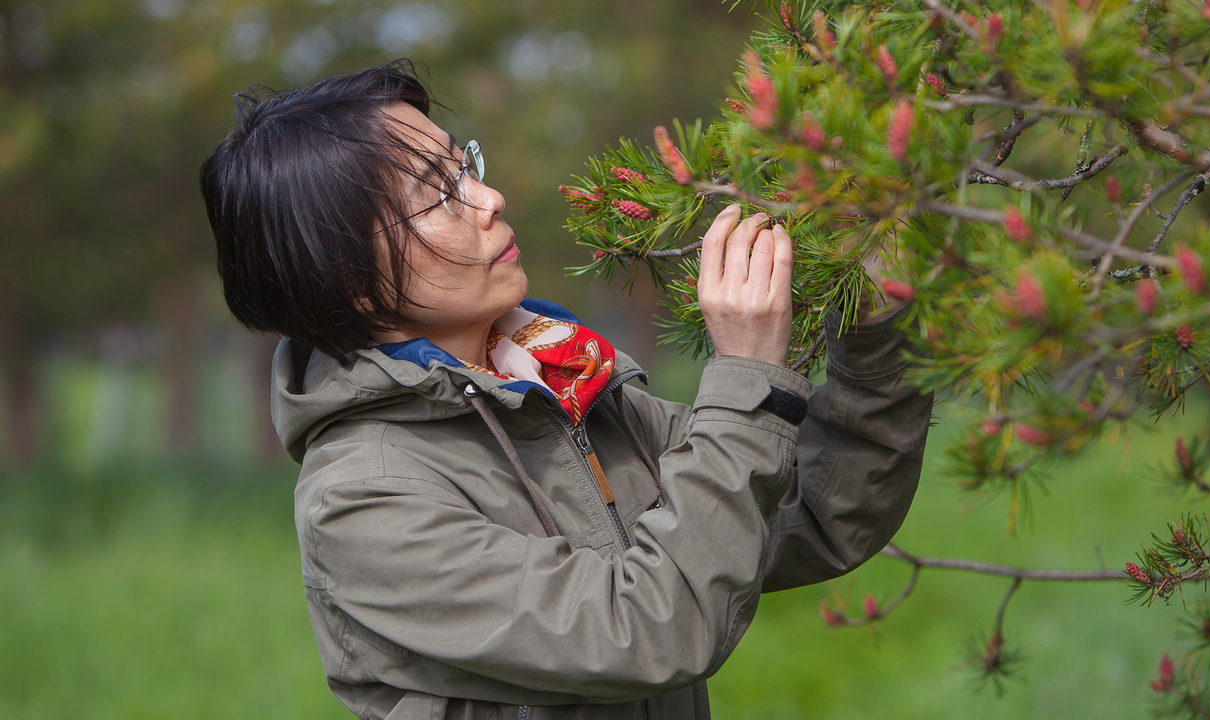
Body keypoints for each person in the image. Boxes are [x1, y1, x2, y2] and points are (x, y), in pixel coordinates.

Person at [200, 60, 932, 720]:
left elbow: (820, 506)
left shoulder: (563, 392)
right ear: (348, 282)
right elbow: (647, 629)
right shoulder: (363, 501)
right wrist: (746, 374)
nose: (488, 198)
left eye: (467, 167)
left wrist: (877, 321)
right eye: (438, 196)